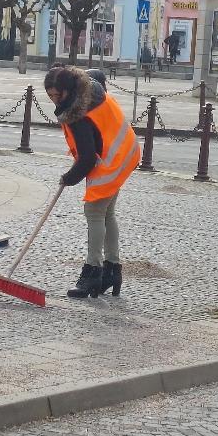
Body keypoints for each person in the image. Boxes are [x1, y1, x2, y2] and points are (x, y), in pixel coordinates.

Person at [44, 65, 140, 299]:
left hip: (110, 160)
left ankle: (93, 273)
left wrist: (69, 178)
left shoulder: (78, 113)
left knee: (94, 211)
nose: (55, 100)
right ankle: (112, 271)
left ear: (69, 90)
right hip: (125, 153)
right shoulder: (93, 92)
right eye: (50, 95)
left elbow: (87, 158)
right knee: (107, 213)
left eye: (58, 95)